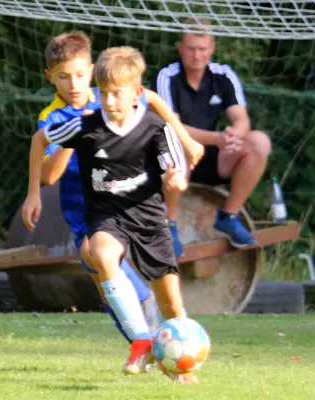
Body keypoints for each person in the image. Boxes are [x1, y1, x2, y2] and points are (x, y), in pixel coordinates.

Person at [22, 46, 196, 383]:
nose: (109, 101)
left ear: (136, 93)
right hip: (106, 215)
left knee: (172, 308)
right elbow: (38, 140)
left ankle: (180, 363)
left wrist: (175, 175)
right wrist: (33, 192)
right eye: (103, 93)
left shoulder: (153, 127)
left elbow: (171, 165)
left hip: (147, 219)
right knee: (100, 252)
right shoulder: (85, 125)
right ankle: (141, 341)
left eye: (117, 93)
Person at [151, 20, 272, 248]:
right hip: (175, 157)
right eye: (191, 49)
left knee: (259, 142)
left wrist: (233, 137)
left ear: (212, 48)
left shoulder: (224, 75)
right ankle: (170, 224)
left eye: (202, 49)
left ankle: (229, 217)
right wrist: (217, 138)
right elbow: (173, 128)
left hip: (213, 158)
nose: (197, 55)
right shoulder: (166, 77)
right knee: (175, 146)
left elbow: (241, 119)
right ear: (180, 47)